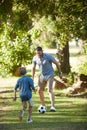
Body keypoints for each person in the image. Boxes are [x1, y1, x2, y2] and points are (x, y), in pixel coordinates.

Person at [32, 46, 62, 112]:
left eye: (39, 53)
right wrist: (32, 78)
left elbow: (57, 63)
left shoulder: (48, 56)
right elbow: (33, 68)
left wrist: (60, 73)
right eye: (37, 53)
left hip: (50, 74)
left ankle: (53, 107)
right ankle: (43, 105)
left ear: (42, 51)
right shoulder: (35, 58)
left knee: (49, 90)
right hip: (42, 75)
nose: (38, 55)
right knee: (39, 90)